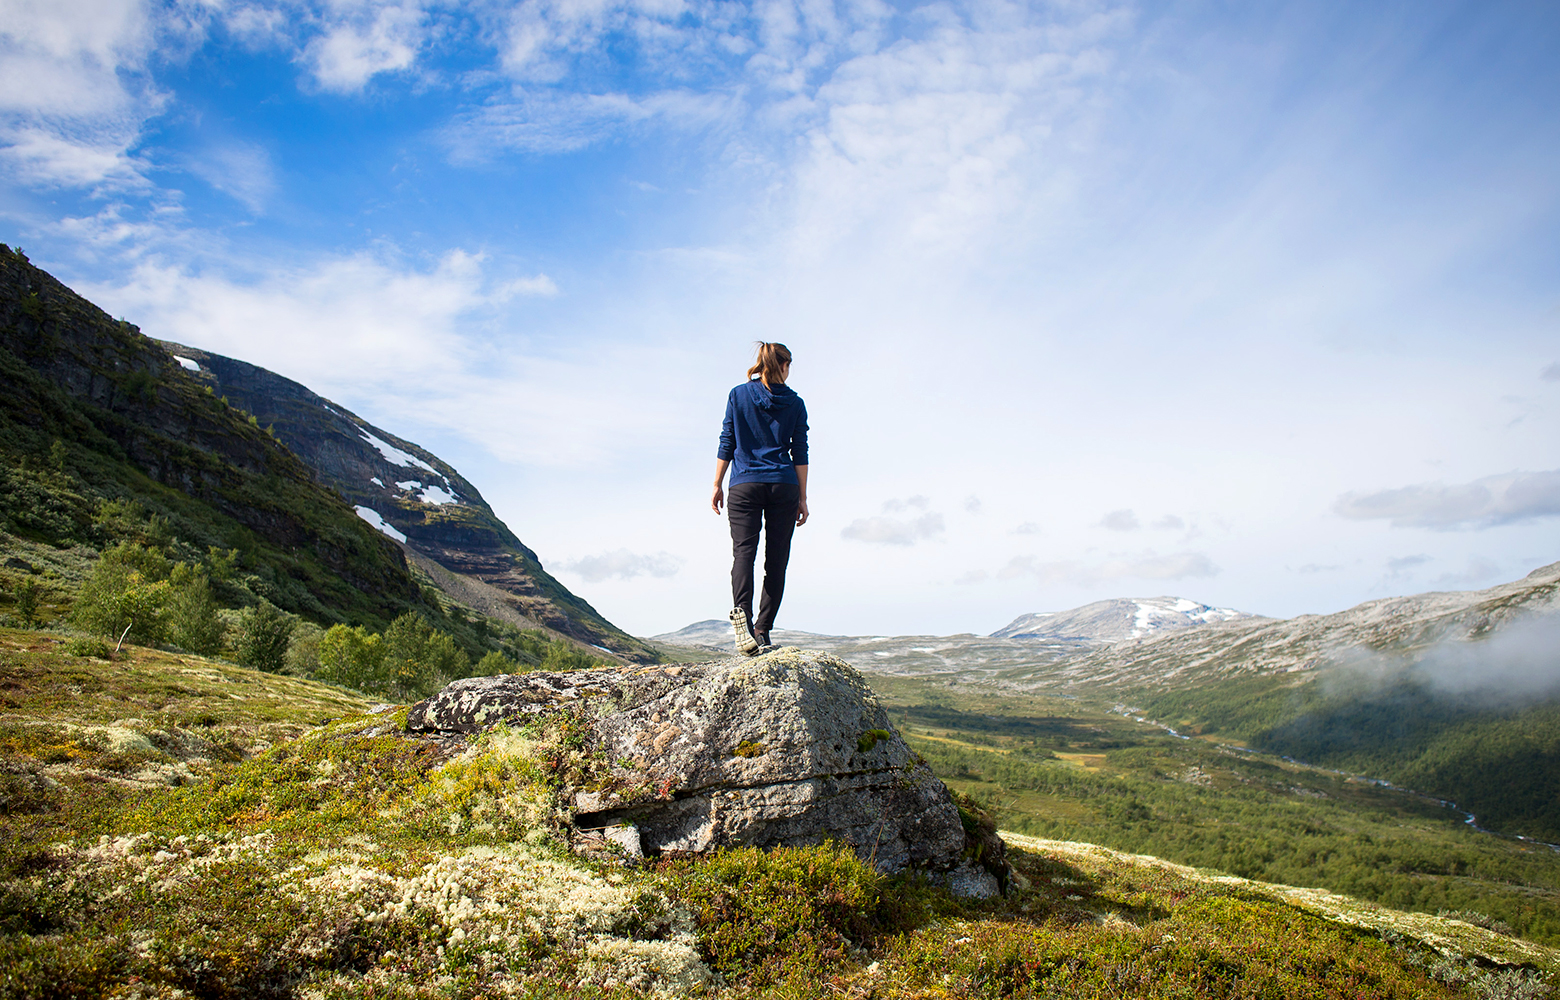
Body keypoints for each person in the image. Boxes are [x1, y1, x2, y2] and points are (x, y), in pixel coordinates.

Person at [711, 342, 809, 655]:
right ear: (783, 365)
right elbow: (800, 452)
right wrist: (803, 497)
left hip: (744, 484)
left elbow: (728, 440)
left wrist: (716, 483)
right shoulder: (795, 403)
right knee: (776, 560)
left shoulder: (738, 395)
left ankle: (743, 618)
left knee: (743, 554)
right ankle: (762, 629)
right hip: (783, 484)